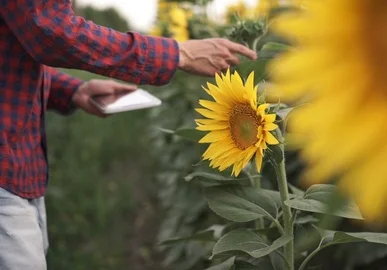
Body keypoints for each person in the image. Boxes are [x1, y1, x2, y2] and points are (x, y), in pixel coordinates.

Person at [0, 1, 257, 269]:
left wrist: (73, 91)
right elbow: (49, 29)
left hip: (20, 166)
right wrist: (178, 53)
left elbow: (13, 51)